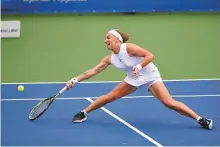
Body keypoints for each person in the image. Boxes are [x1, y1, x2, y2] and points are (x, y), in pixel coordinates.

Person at [66, 29, 213, 129]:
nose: (105, 41)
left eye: (108, 38)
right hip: (133, 79)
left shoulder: (128, 48)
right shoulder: (110, 58)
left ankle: (200, 119)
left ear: (117, 39)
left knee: (168, 102)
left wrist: (139, 66)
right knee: (110, 96)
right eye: (105, 39)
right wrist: (75, 80)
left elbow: (150, 56)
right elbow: (93, 71)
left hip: (149, 75)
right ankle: (83, 113)